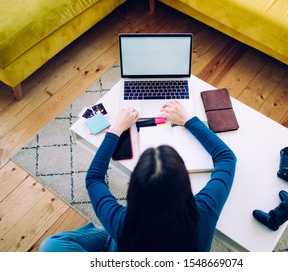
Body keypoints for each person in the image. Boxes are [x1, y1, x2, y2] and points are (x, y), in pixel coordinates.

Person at [40, 100, 237, 252]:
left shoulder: (120, 222)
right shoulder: (204, 211)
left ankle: (105, 235)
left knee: (51, 245)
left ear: (132, 187)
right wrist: (189, 120)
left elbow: (94, 178)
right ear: (185, 186)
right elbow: (227, 158)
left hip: (119, 239)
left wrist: (115, 129)